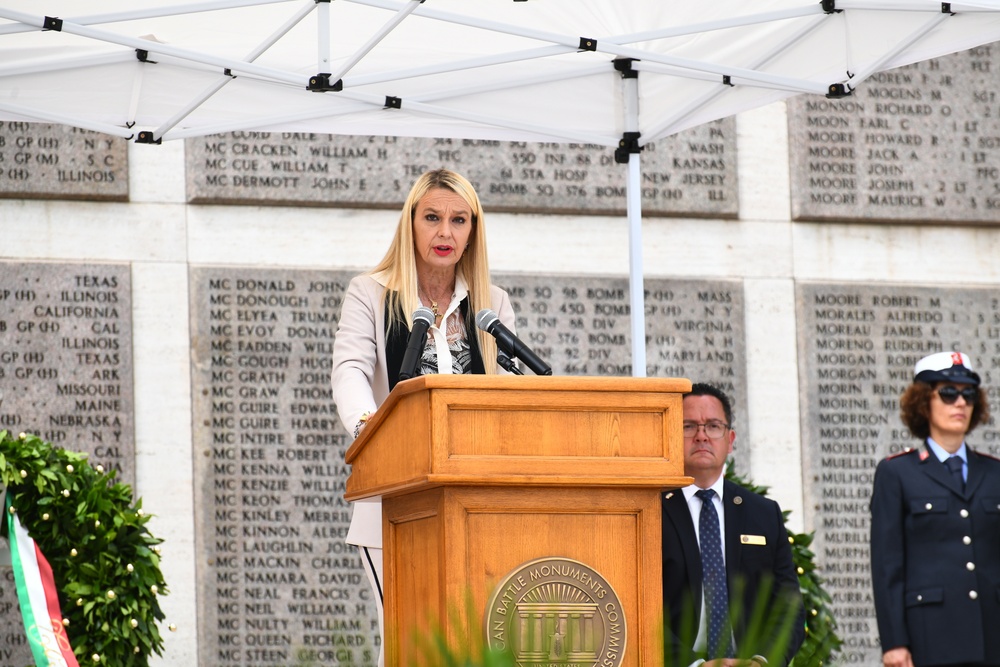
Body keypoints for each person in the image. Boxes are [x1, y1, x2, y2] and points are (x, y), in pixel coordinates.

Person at [330, 168, 516, 665]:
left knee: (474, 645)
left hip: (476, 505)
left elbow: (507, 395)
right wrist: (369, 429)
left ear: (473, 230)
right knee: (407, 647)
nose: (445, 233)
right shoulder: (370, 293)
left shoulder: (492, 303)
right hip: (395, 499)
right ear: (409, 223)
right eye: (432, 217)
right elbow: (349, 370)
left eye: (459, 220)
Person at [871, 351, 1000, 667]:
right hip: (930, 639)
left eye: (968, 394)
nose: (960, 403)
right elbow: (887, 566)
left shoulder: (994, 472)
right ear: (923, 402)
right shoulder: (897, 473)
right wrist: (894, 642)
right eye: (948, 393)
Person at [662, 383, 805, 667]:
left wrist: (760, 661)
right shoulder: (651, 511)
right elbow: (639, 607)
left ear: (730, 439)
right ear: (670, 437)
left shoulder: (764, 514)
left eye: (713, 426)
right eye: (689, 426)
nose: (701, 436)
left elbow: (788, 607)